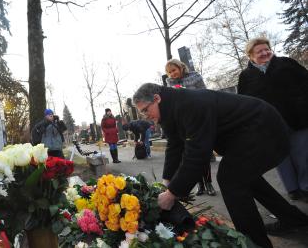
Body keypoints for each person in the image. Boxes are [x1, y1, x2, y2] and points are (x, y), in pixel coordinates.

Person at [132, 83, 308, 248]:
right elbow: (175, 146)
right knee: (245, 177)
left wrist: (172, 194)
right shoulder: (170, 111)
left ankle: (255, 243)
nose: (146, 116)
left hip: (265, 130)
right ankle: (292, 219)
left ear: (157, 98)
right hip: (249, 134)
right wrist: (167, 181)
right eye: (142, 113)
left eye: (146, 110)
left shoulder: (189, 104)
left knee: (230, 179)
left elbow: (197, 154)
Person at [238, 37, 308, 202]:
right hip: (269, 125)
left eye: (266, 49)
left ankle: (306, 187)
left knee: (303, 155)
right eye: (259, 51)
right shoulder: (246, 76)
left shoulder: (287, 64)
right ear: (250, 56)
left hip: (298, 118)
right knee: (281, 159)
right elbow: (244, 103)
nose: (264, 53)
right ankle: (292, 189)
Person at [165, 59, 216, 196]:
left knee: (203, 154)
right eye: (169, 72)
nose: (172, 74)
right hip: (184, 122)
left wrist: (187, 93)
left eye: (174, 70)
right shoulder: (169, 84)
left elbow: (205, 94)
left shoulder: (195, 77)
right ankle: (200, 185)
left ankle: (209, 183)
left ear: (181, 68)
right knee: (190, 155)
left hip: (200, 118)